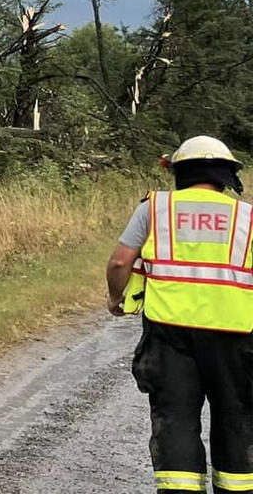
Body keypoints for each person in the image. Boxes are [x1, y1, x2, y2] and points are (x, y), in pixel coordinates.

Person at [108, 135, 253, 493]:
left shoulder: (154, 209)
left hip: (169, 336)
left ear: (177, 173)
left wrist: (116, 298)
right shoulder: (247, 217)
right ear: (225, 177)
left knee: (175, 418)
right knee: (236, 417)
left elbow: (119, 261)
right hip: (235, 337)